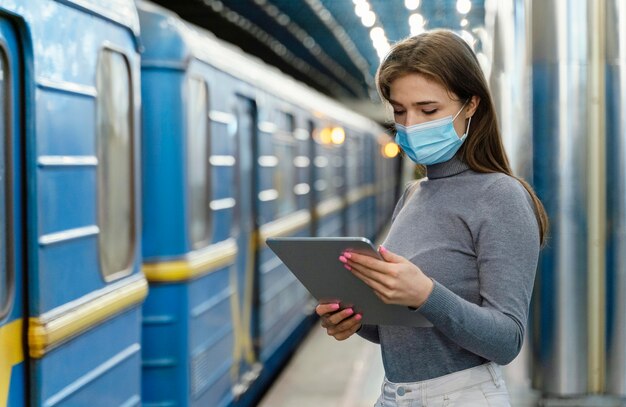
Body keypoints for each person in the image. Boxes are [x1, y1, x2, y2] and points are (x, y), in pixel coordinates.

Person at [315, 30, 548, 406]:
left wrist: (426, 294)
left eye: (428, 110)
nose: (411, 125)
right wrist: (357, 320)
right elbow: (407, 331)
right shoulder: (414, 195)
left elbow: (507, 341)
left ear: (471, 104)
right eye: (399, 111)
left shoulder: (501, 196)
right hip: (395, 394)